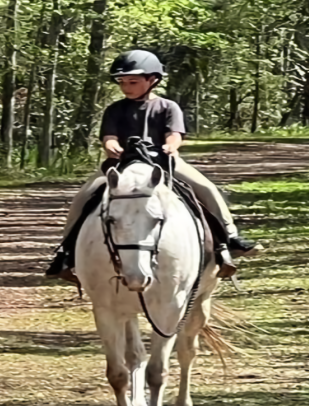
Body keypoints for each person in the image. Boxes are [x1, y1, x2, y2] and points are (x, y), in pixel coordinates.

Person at [45, 49, 261, 283]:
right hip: (122, 164)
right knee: (83, 196)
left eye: (133, 81)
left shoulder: (168, 107)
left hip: (163, 161)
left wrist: (170, 146)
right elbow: (108, 136)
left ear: (152, 80)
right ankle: (66, 252)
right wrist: (111, 145)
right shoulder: (115, 109)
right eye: (122, 82)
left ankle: (230, 239)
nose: (126, 87)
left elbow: (175, 134)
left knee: (207, 189)